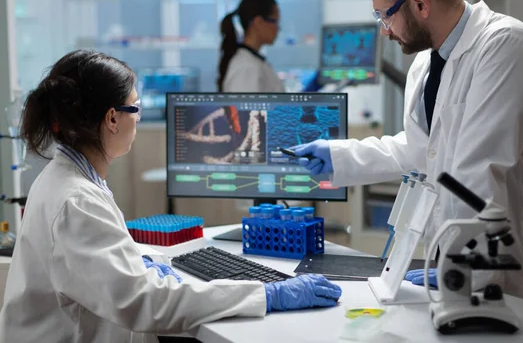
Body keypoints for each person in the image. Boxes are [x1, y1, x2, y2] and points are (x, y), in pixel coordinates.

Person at [0, 49, 342, 342]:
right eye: (136, 106)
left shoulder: (68, 178)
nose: (139, 115)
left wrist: (147, 258)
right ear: (112, 119)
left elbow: (99, 255)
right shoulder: (76, 200)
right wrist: (267, 294)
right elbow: (145, 301)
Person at [293, 0, 523, 304]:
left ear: (419, 3)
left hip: (499, 263)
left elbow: (477, 171)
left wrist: (461, 266)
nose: (384, 31)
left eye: (385, 16)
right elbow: (421, 150)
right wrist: (340, 157)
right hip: (452, 256)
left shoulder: (506, 46)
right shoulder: (425, 64)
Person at [218, 0, 285, 93]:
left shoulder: (253, 62)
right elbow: (244, 108)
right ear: (258, 22)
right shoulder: (247, 67)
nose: (278, 28)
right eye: (275, 21)